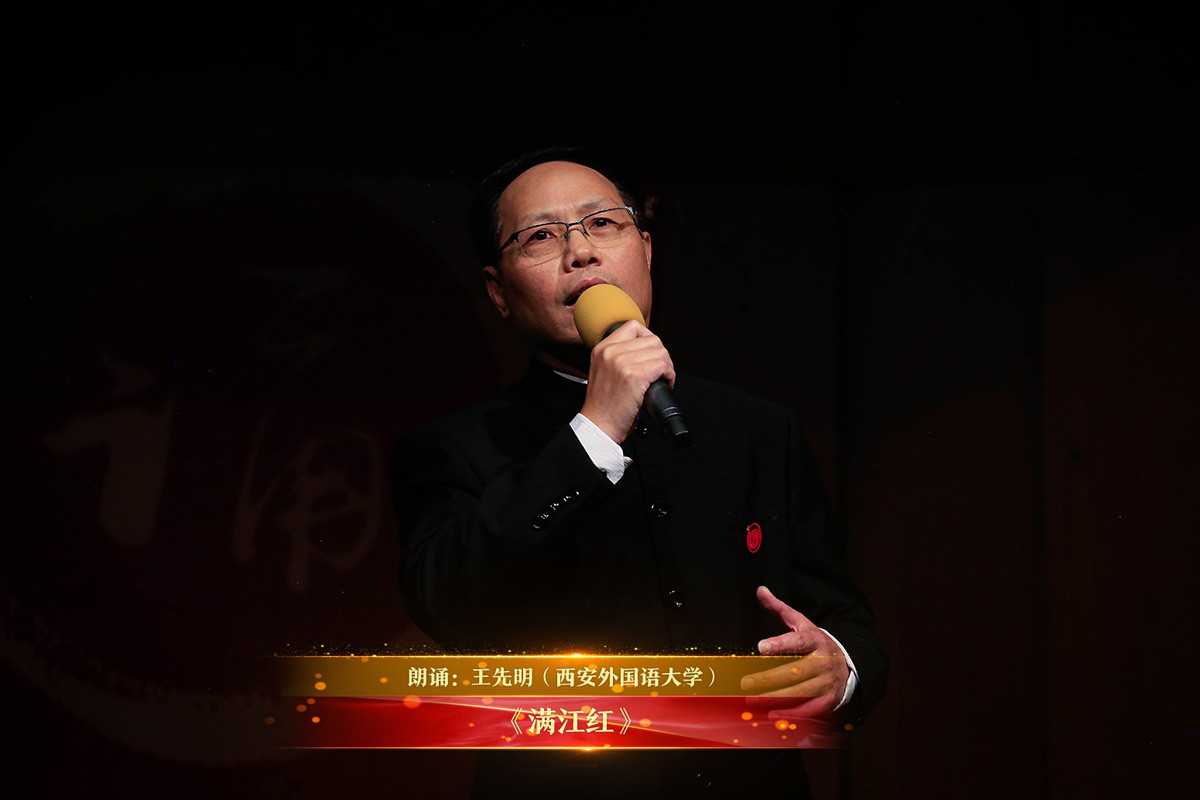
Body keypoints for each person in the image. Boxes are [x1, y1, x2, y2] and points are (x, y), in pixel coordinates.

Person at [391, 148, 887, 798]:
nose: (581, 252)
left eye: (603, 223)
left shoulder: (759, 429)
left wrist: (841, 668)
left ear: (646, 251)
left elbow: (843, 616)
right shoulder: (453, 447)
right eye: (541, 236)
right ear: (498, 292)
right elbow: (446, 603)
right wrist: (594, 429)